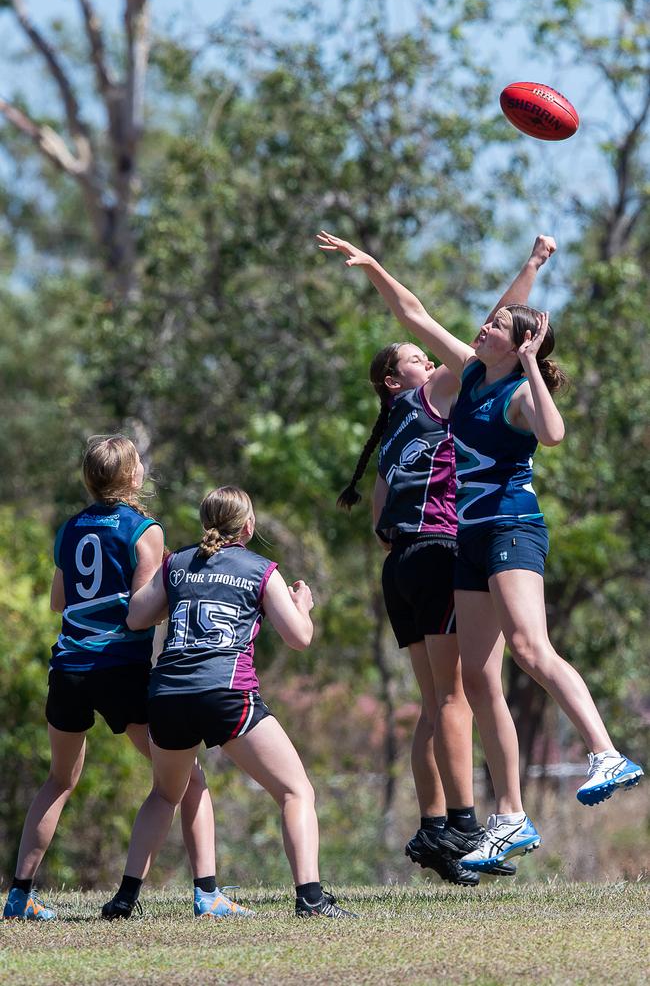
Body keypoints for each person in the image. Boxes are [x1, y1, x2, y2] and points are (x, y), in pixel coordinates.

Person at [317, 230, 643, 870]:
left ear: (516, 343)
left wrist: (527, 362)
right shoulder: (466, 376)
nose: (482, 324)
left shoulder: (517, 391)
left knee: (528, 647)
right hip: (467, 538)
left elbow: (553, 435)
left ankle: (606, 752)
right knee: (478, 677)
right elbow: (413, 314)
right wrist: (373, 265)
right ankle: (512, 817)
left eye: (494, 324)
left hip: (511, 528)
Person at [330, 237, 555, 884]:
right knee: (457, 698)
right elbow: (488, 324)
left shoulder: (396, 424)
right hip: (437, 552)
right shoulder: (437, 395)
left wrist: (374, 265)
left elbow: (378, 515)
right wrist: (532, 268)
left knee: (433, 705)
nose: (433, 358)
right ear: (398, 379)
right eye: (417, 360)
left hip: (400, 563)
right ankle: (461, 824)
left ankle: (432, 827)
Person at [101, 486, 357, 919]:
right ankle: (310, 899)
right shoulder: (261, 569)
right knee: (296, 791)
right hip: (226, 693)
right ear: (249, 526)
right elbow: (300, 639)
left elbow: (136, 617)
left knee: (165, 794)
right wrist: (303, 605)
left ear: (206, 521)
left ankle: (125, 899)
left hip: (167, 695)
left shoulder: (178, 563)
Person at [2, 436, 229, 922]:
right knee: (187, 777)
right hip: (120, 670)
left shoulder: (68, 529)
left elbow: (58, 602)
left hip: (68, 668)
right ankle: (207, 893)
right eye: (140, 463)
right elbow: (141, 614)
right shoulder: (144, 529)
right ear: (131, 477)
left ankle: (19, 896)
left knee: (59, 780)